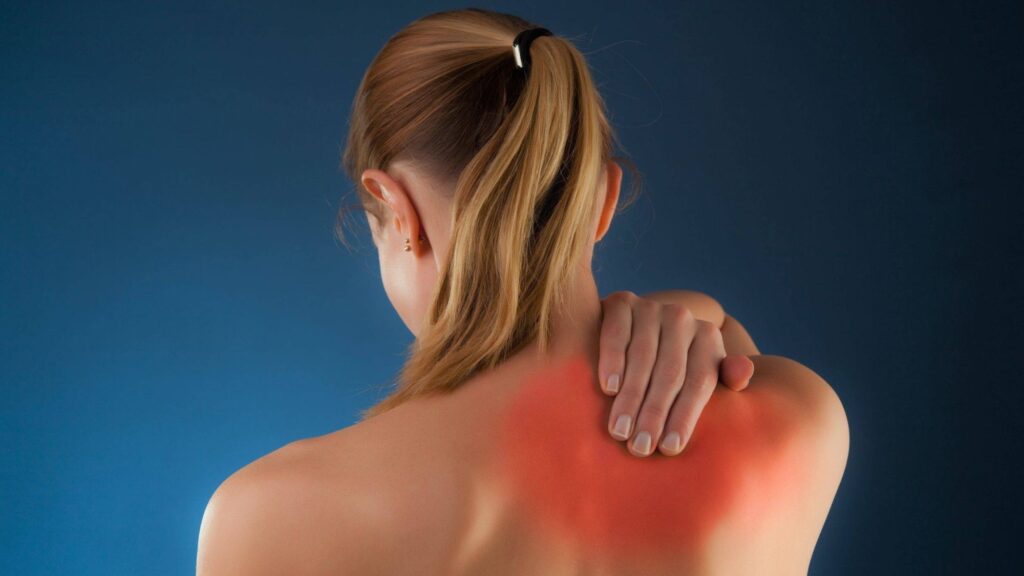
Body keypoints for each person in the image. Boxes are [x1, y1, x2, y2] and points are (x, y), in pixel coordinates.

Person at [197, 8, 848, 575]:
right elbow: (741, 367)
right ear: (603, 201)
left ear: (397, 214)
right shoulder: (800, 420)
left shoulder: (273, 515)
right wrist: (702, 308)